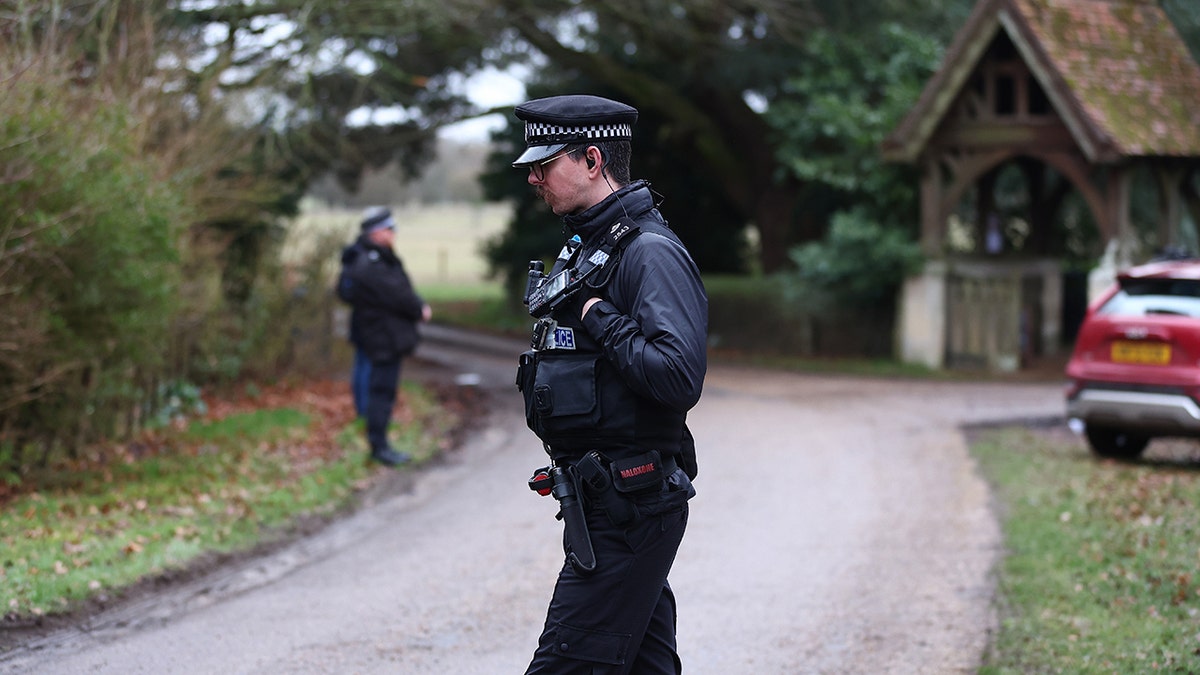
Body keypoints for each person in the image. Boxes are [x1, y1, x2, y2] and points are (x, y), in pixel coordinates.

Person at [511, 94, 707, 674]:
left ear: (592, 160)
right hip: (605, 503)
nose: (533, 176)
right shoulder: (592, 246)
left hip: (631, 504)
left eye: (545, 163)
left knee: (565, 665)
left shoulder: (648, 252)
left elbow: (677, 376)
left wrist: (599, 314)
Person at [336, 206, 431, 467]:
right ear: (377, 232)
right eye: (389, 230)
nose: (393, 234)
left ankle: (380, 442)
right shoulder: (371, 262)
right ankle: (379, 446)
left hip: (377, 333)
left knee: (379, 388)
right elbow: (396, 293)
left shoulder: (364, 257)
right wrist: (418, 308)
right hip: (382, 336)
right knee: (381, 392)